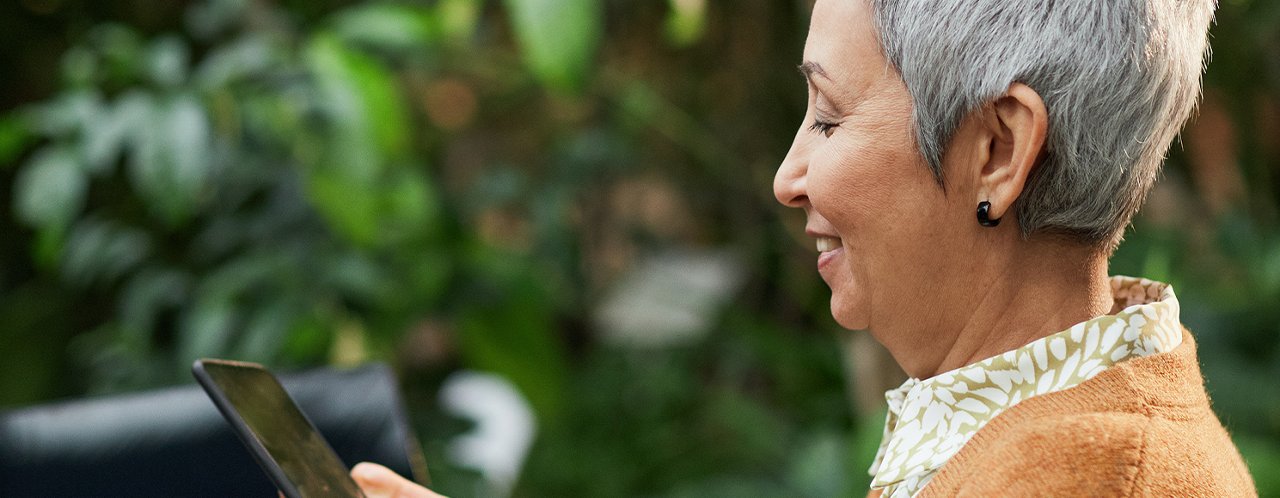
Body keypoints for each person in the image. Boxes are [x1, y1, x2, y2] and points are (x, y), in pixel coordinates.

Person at [353, 0, 1257, 496]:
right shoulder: (1046, 434)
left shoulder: (1092, 478)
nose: (789, 176)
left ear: (997, 150)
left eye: (828, 116)